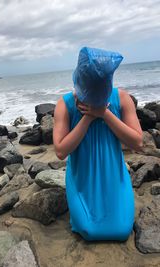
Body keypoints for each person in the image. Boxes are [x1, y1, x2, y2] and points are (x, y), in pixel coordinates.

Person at [53, 47, 143, 242]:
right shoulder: (65, 104)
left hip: (114, 176)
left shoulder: (122, 98)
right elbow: (60, 151)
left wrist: (104, 114)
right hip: (81, 178)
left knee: (121, 230)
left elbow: (137, 142)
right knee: (89, 230)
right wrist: (87, 118)